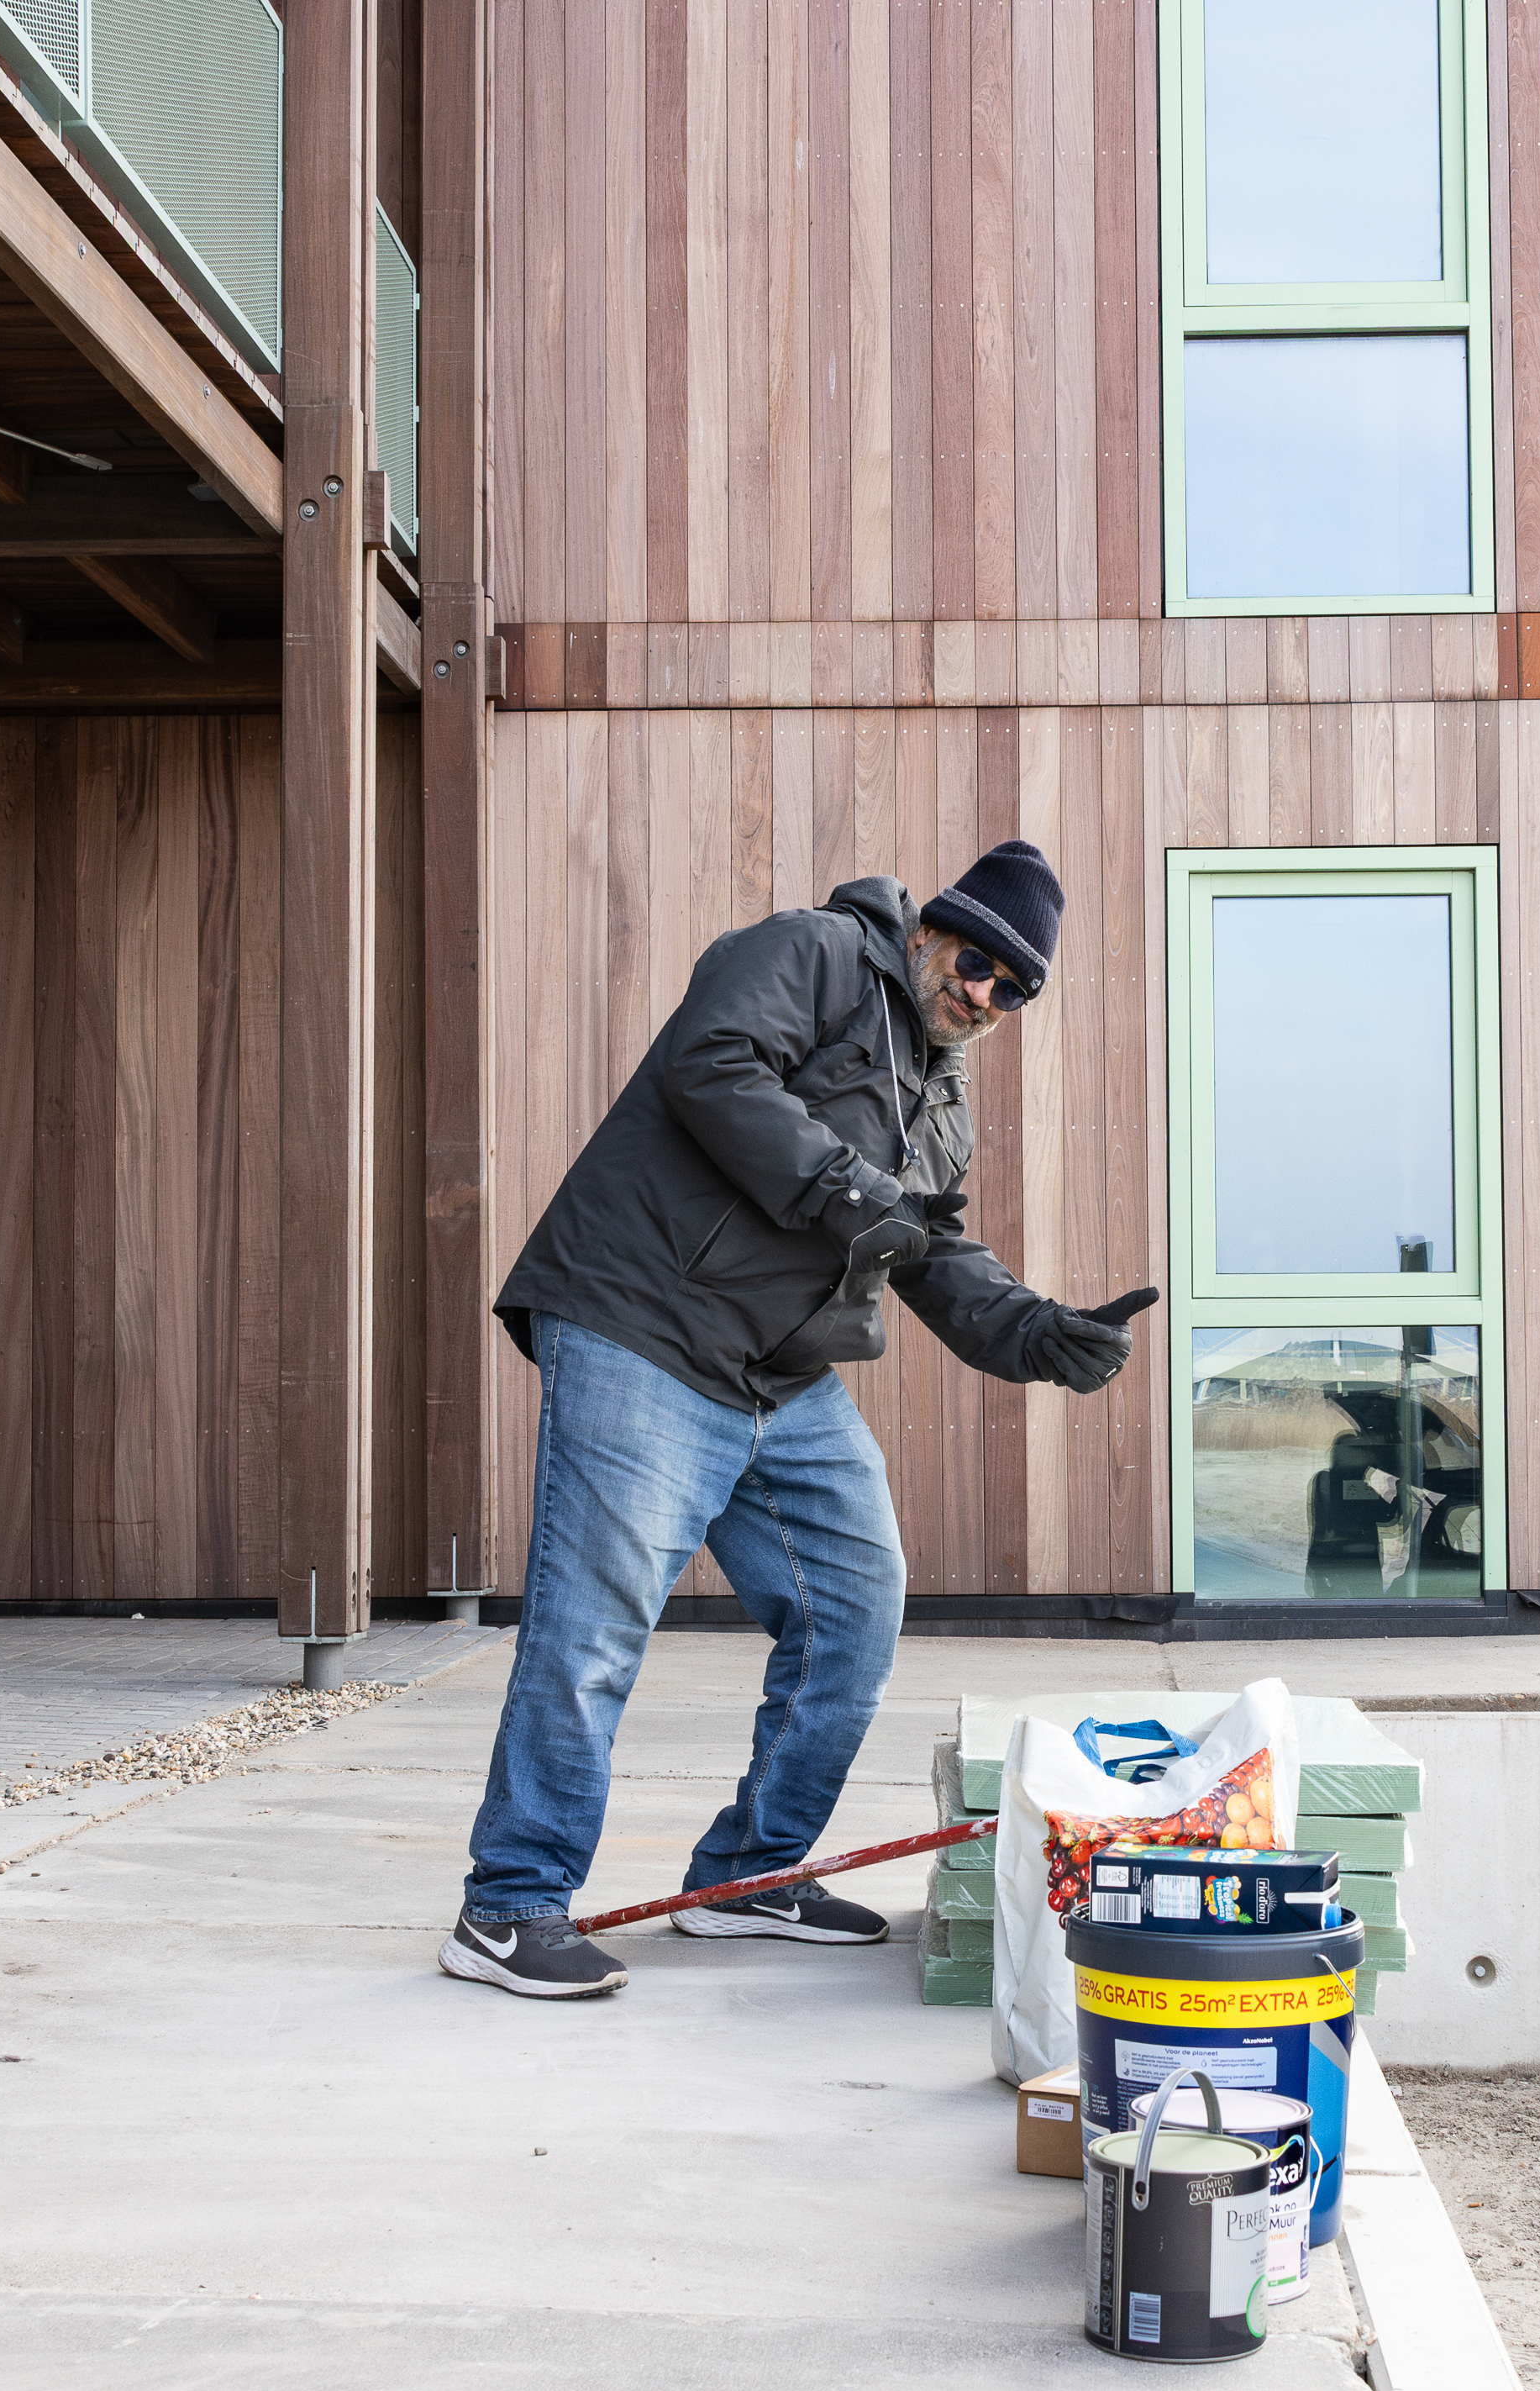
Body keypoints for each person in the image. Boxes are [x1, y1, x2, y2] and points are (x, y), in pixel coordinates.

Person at [440, 841, 1146, 2000]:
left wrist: (1032, 1330)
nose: (983, 996)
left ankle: (752, 1874)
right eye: (976, 963)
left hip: (782, 1379)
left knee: (856, 1604)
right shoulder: (816, 953)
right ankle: (510, 1903)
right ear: (933, 931)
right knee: (593, 1628)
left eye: (1013, 990)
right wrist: (847, 1191)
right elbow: (713, 1064)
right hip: (644, 1326)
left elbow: (926, 1246)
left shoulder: (943, 1102)